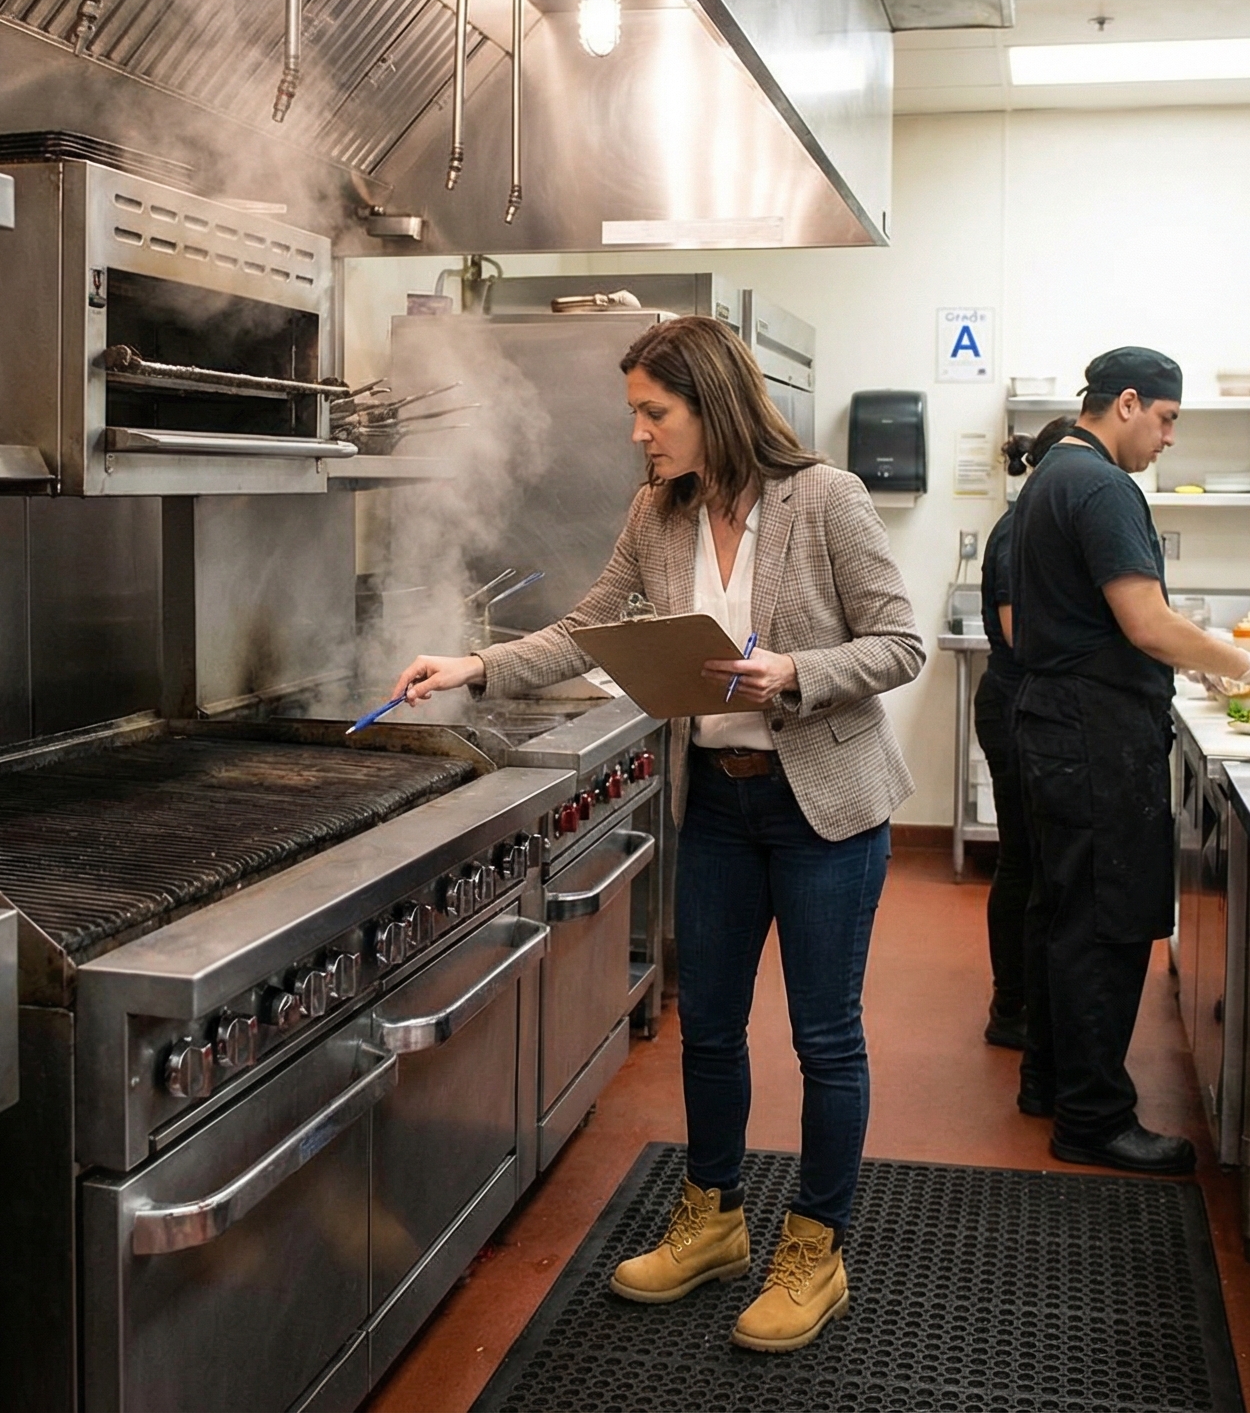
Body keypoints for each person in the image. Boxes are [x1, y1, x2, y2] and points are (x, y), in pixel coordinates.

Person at [391, 314, 923, 1353]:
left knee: (824, 1038)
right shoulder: (657, 512)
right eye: (634, 412)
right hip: (718, 805)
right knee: (710, 1027)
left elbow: (898, 644)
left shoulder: (825, 500)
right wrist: (473, 666)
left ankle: (816, 1247)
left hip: (823, 806)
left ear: (711, 403)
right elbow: (590, 626)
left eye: (653, 412)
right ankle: (714, 1218)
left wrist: (796, 674)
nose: (638, 433)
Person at [1008, 347, 1250, 1175]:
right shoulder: (1102, 486)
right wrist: (1249, 667)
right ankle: (1095, 1120)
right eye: (1167, 419)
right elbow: (1144, 620)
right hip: (1095, 734)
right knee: (1110, 922)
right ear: (1128, 403)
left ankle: (1051, 1082)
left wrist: (1194, 656)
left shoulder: (1050, 479)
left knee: (1066, 913)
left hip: (1058, 724)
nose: (1168, 438)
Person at [976, 418, 1078, 1050]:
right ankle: (1010, 1005)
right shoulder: (1020, 531)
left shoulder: (1042, 521)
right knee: (1022, 861)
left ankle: (1026, 998)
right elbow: (1023, 635)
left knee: (1034, 862)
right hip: (1016, 707)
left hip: (1028, 706)